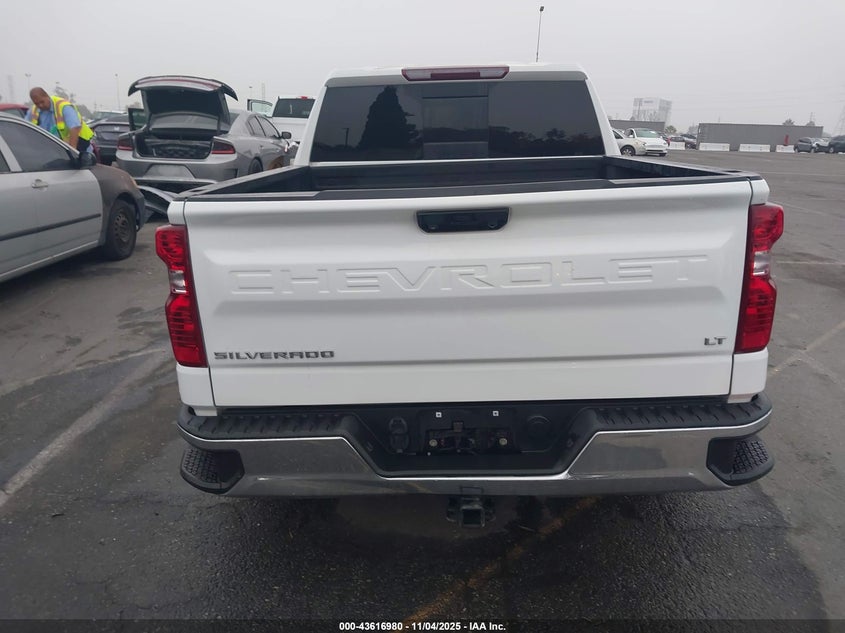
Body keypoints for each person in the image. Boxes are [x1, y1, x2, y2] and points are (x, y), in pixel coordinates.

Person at [26, 87, 94, 153]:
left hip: (80, 145)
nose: (40, 105)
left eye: (42, 102)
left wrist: (72, 151)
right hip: (55, 150)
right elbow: (25, 128)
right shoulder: (33, 111)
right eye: (37, 103)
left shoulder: (63, 106)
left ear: (47, 96)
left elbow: (75, 127)